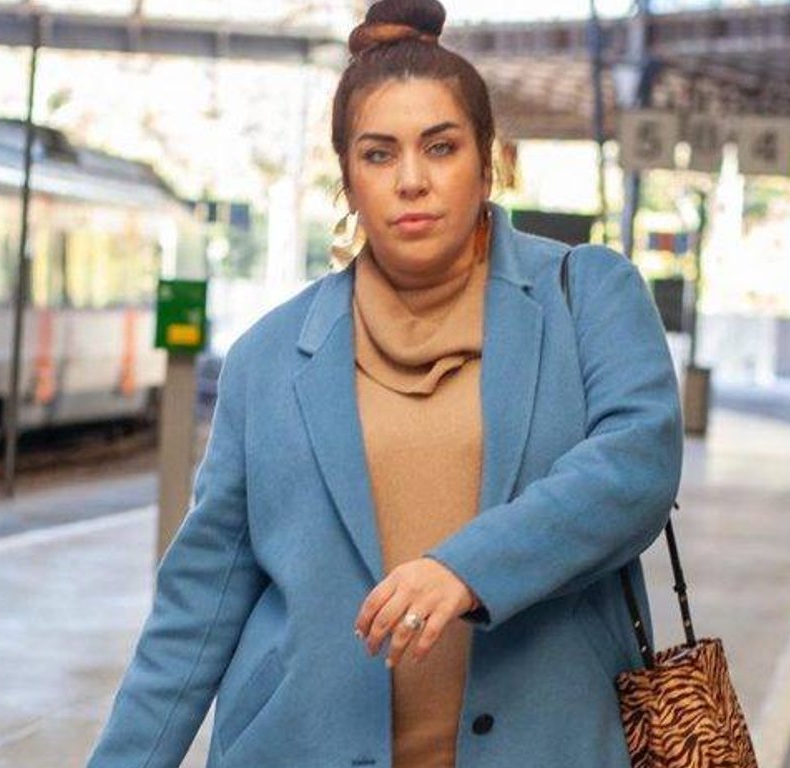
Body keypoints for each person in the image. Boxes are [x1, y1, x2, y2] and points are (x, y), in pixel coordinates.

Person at [85, 1, 682, 766]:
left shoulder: (587, 294)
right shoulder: (269, 358)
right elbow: (199, 600)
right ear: (347, 177)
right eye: (378, 154)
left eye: (441, 147)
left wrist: (467, 568)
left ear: (487, 161)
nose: (411, 180)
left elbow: (637, 466)